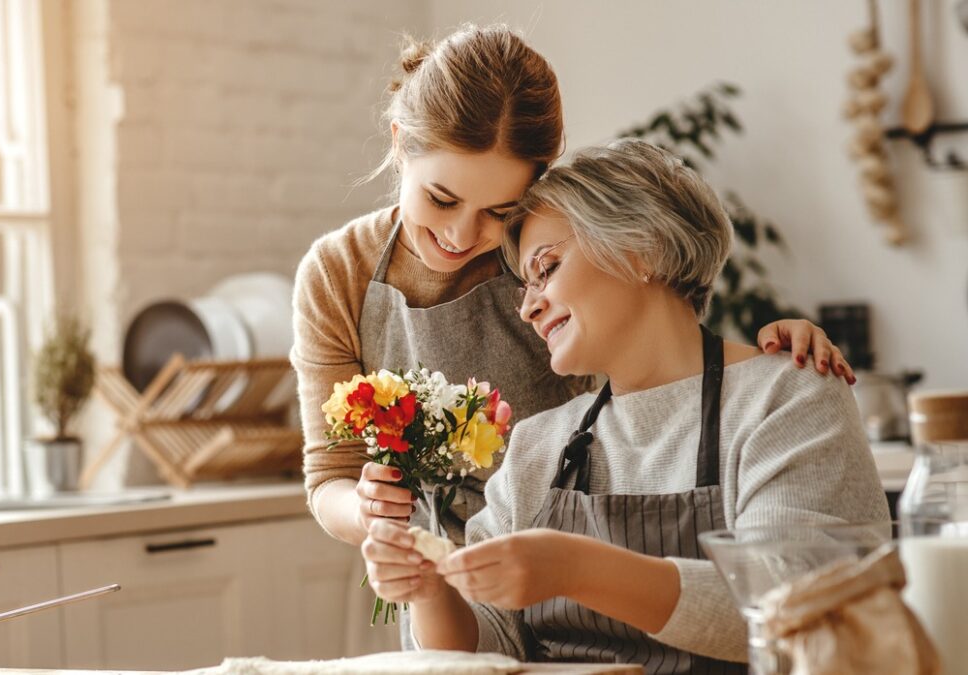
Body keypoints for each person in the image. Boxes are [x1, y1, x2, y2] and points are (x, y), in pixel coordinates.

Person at [290, 25, 856, 644]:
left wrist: (766, 358)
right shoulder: (536, 447)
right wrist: (400, 546)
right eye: (441, 198)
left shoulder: (782, 402)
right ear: (400, 145)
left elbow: (662, 356)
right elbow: (332, 474)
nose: (460, 235)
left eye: (501, 216)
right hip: (466, 603)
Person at [360, 139, 889, 671]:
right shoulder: (538, 444)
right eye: (525, 284)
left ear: (643, 249)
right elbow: (486, 646)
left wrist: (576, 568)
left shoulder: (786, 398)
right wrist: (430, 590)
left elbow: (798, 609)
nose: (528, 307)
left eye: (547, 267)